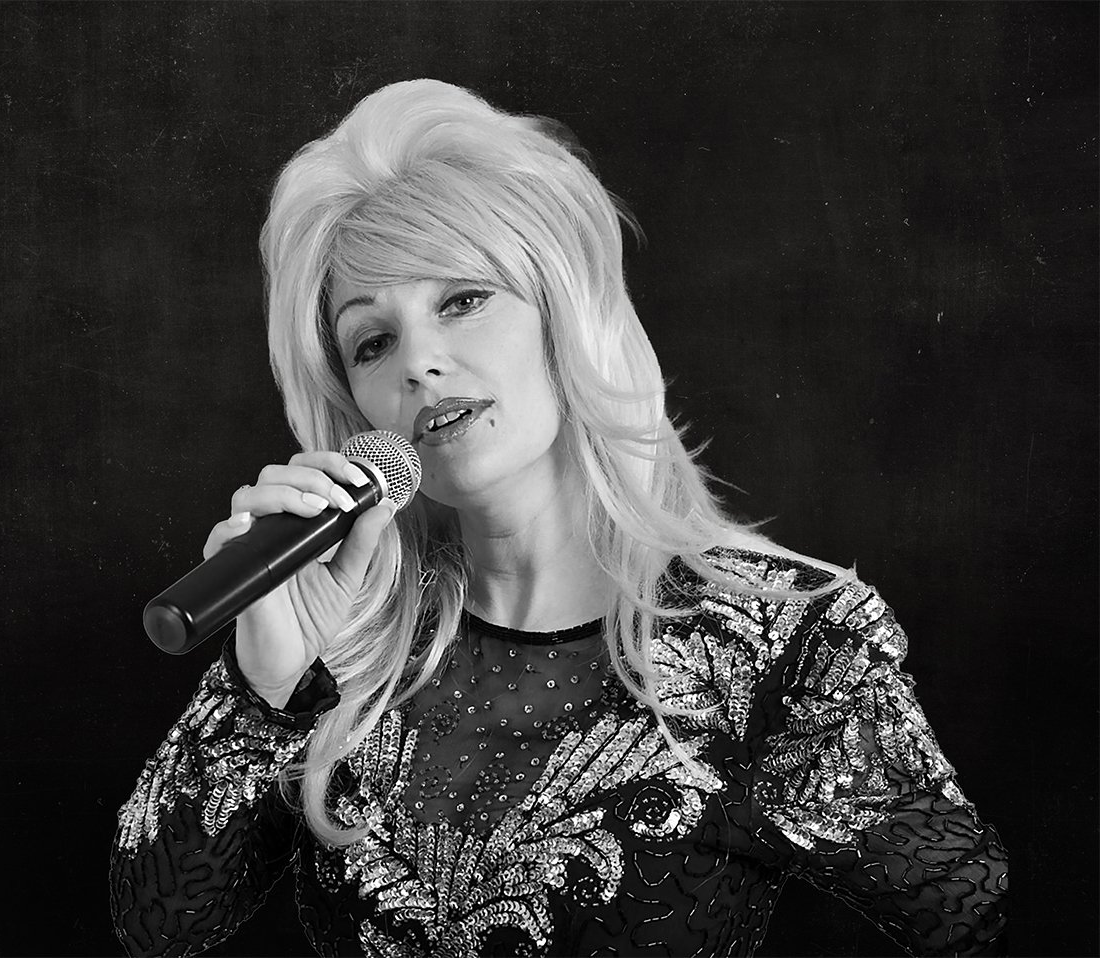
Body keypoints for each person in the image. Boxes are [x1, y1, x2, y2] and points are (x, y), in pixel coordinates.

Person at [109, 79, 1007, 957]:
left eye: (462, 300)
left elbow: (973, 912)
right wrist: (263, 691)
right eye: (373, 342)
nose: (419, 363)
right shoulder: (346, 650)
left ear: (565, 313)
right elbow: (159, 925)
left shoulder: (786, 642)